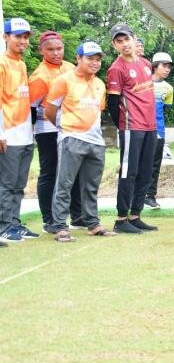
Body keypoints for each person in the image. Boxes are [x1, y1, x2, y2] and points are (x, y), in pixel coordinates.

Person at [44, 41, 115, 241]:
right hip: (71, 138)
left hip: (96, 142)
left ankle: (93, 224)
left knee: (91, 186)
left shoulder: (100, 83)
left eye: (98, 59)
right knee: (64, 184)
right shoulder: (64, 80)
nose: (95, 63)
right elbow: (50, 111)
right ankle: (60, 226)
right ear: (78, 58)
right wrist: (65, 128)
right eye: (90, 58)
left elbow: (98, 110)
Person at [28, 31, 82, 234]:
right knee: (49, 173)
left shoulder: (71, 68)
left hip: (71, 128)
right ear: (41, 50)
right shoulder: (39, 76)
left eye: (59, 48)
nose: (56, 53)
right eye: (50, 49)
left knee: (74, 172)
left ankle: (78, 215)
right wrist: (33, 132)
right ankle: (49, 219)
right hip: (47, 131)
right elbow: (31, 108)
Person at [106, 23, 158, 234]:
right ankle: (121, 219)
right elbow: (112, 103)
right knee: (129, 172)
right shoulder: (116, 68)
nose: (124, 44)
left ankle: (135, 215)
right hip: (131, 127)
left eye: (127, 39)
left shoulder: (146, 63)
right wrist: (124, 125)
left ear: (134, 39)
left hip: (150, 126)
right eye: (119, 41)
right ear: (114, 45)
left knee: (146, 172)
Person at [0, 17, 37, 243]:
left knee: (19, 184)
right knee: (7, 184)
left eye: (25, 37)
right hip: (9, 133)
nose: (23, 41)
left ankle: (14, 223)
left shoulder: (21, 64)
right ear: (5, 37)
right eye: (18, 36)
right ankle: (4, 226)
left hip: (25, 134)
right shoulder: (2, 63)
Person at [145, 52, 173, 210]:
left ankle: (150, 196)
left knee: (155, 165)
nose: (167, 69)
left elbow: (164, 109)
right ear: (155, 66)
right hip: (141, 129)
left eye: (169, 66)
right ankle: (136, 195)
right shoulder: (143, 83)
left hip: (159, 131)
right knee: (140, 163)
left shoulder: (168, 88)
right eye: (164, 66)